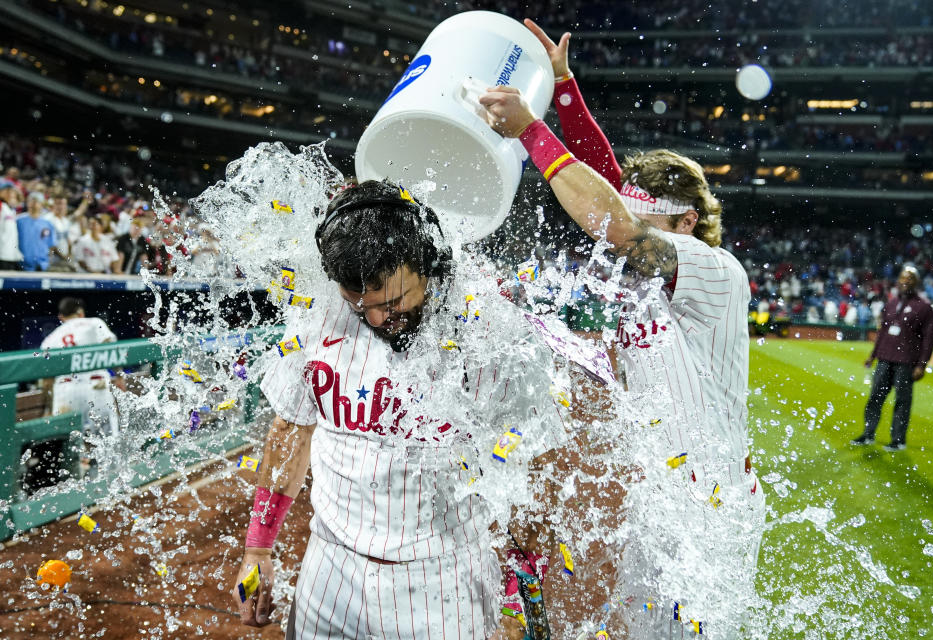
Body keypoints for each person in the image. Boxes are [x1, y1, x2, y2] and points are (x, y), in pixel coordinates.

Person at [480, 22, 763, 638]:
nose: (624, 224)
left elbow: (616, 225)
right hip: (663, 496)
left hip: (710, 507)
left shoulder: (714, 269)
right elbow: (605, 185)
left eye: (647, 216)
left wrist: (534, 131)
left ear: (687, 221)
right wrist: (563, 87)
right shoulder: (653, 272)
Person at [231, 180, 570, 639]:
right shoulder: (316, 315)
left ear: (427, 263)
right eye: (359, 305)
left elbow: (538, 476)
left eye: (391, 302)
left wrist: (518, 598)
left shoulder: (496, 337)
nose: (374, 319)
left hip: (441, 583)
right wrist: (258, 548)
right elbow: (292, 430)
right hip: (329, 573)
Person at [852, 266, 933, 451]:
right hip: (885, 358)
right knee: (875, 397)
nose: (905, 281)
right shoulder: (890, 304)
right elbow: (882, 332)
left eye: (910, 278)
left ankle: (898, 440)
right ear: (898, 281)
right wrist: (872, 356)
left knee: (902, 401)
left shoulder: (924, 308)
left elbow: (929, 339)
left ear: (917, 282)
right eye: (903, 278)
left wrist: (921, 365)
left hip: (906, 361)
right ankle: (868, 434)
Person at [39, 297, 121, 478]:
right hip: (96, 387)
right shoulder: (93, 322)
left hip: (65, 392)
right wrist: (119, 375)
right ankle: (111, 481)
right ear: (81, 313)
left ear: (61, 317)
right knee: (107, 441)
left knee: (69, 445)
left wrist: (48, 406)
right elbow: (110, 347)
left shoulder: (51, 338)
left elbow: (46, 379)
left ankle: (72, 485)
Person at [17, 192, 62, 271]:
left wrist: (48, 261)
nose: (34, 204)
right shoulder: (19, 220)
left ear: (42, 204)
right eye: (31, 200)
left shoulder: (47, 224)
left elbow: (51, 245)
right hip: (22, 264)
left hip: (42, 265)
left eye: (36, 201)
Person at [0, 178, 22, 270]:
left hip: (12, 255)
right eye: (7, 191)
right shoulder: (1, 206)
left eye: (12, 192)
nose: (10, 194)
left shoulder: (11, 210)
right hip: (2, 255)